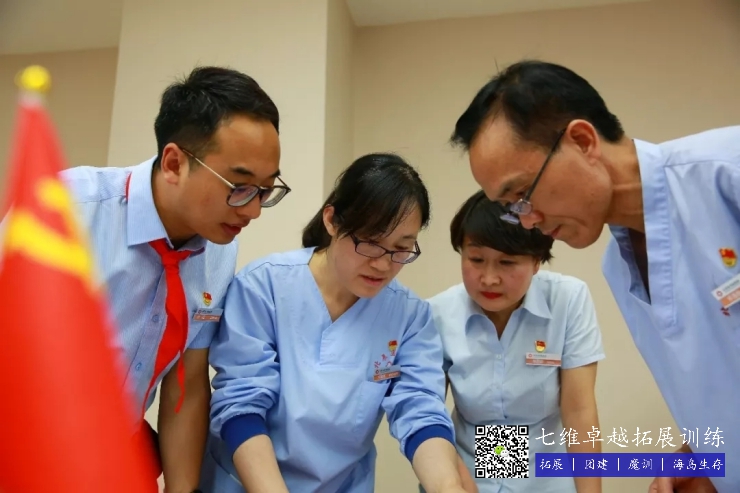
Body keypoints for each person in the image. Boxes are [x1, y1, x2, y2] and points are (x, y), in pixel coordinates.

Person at [449, 59, 739, 493]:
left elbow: (579, 412)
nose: (526, 220)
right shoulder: (620, 267)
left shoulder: (726, 174)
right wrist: (705, 460)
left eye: (522, 194)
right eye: (510, 207)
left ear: (583, 141)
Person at [54, 66, 288, 492]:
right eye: (239, 186)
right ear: (175, 163)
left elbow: (188, 383)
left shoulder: (218, 248)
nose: (253, 210)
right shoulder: (70, 208)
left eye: (265, 190)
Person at [198, 153, 478, 493]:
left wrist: (453, 485)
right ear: (332, 221)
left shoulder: (412, 314)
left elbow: (422, 411)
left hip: (518, 468)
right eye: (478, 259)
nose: (384, 265)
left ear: (534, 261)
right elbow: (241, 400)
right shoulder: (266, 287)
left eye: (401, 249)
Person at [427, 191, 603, 493]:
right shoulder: (438, 313)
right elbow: (430, 416)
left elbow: (579, 412)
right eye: (476, 259)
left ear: (536, 262)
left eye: (507, 262)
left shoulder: (568, 299)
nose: (489, 278)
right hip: (466, 474)